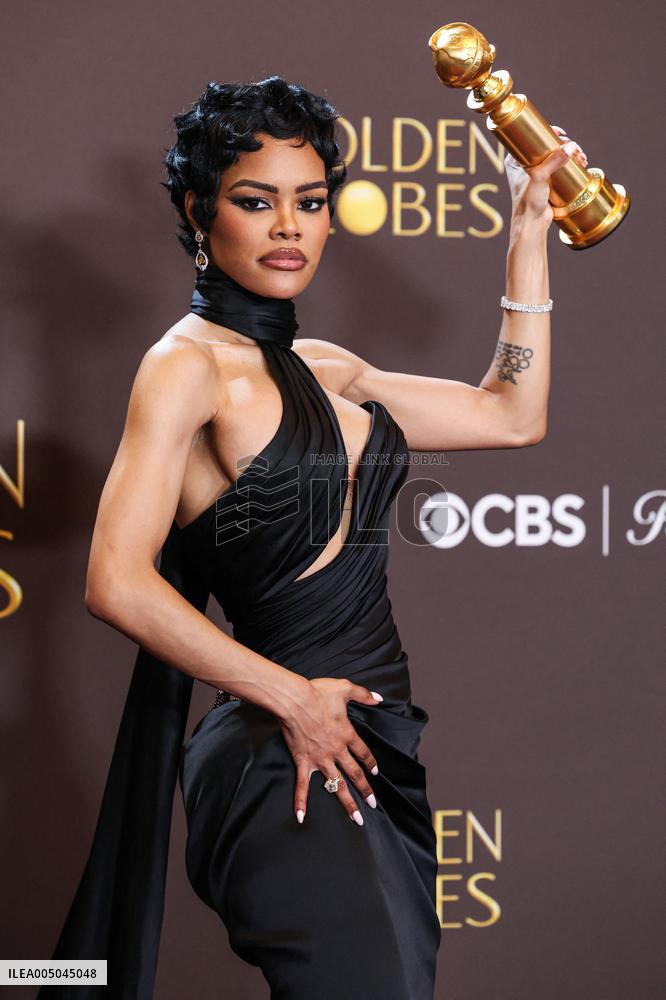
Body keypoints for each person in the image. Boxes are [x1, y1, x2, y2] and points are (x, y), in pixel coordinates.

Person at [40, 77, 587, 999]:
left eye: (311, 202)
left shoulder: (329, 369)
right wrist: (290, 699)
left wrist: (527, 231)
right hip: (277, 755)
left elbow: (510, 414)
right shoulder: (184, 368)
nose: (289, 227)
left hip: (372, 747)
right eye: (256, 202)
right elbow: (115, 580)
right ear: (198, 209)